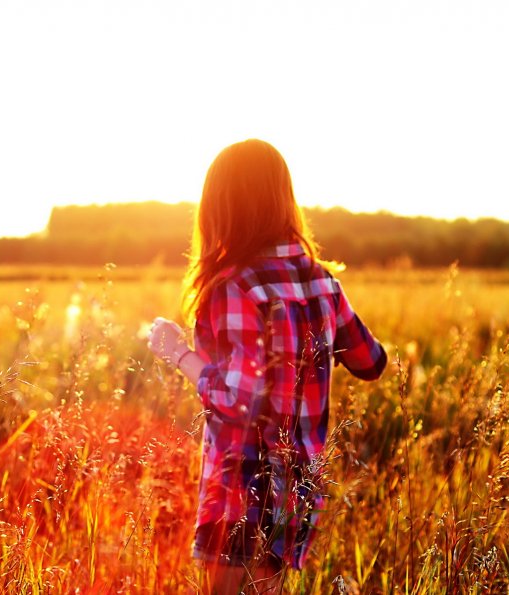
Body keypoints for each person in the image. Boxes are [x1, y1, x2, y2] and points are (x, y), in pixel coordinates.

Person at [147, 139, 387, 594]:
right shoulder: (323, 282)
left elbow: (240, 401)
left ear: (223, 206)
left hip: (241, 484)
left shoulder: (236, 285)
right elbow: (372, 362)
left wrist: (178, 353)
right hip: (298, 485)